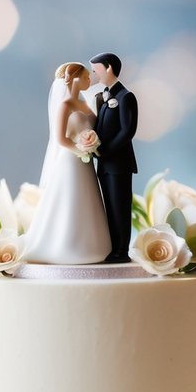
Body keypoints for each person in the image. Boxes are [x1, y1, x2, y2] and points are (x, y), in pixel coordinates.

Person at [23, 62, 112, 265]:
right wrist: (80, 148)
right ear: (74, 79)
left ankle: (89, 244)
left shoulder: (84, 103)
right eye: (86, 77)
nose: (90, 80)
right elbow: (60, 139)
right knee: (70, 198)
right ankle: (64, 245)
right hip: (71, 160)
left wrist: (91, 144)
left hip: (86, 161)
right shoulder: (65, 106)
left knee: (86, 199)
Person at [89, 52, 139, 263]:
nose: (94, 74)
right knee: (109, 206)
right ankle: (113, 247)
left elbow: (128, 131)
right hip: (105, 163)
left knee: (120, 207)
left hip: (119, 163)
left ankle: (121, 250)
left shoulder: (125, 97)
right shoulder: (104, 96)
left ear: (108, 68)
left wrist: (106, 149)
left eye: (96, 70)